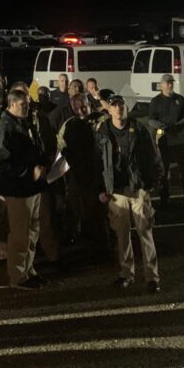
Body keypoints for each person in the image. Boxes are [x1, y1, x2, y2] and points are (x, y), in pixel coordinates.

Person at [95, 96, 162, 292]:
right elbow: (97, 162)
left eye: (121, 105)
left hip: (138, 187)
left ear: (126, 108)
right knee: (121, 234)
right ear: (109, 110)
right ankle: (126, 273)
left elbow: (153, 155)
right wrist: (100, 188)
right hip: (116, 190)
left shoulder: (139, 130)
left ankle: (152, 277)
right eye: (114, 106)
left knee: (145, 231)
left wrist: (154, 182)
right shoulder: (102, 133)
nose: (118, 109)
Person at [0, 89, 47, 291]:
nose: (27, 108)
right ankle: (17, 276)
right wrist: (28, 171)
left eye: (28, 104)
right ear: (12, 104)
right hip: (18, 189)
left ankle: (28, 269)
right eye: (24, 105)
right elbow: (3, 163)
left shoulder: (23, 122)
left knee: (32, 231)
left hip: (31, 187)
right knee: (20, 234)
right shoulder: (4, 127)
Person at [58, 93, 106, 251]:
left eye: (83, 106)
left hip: (99, 172)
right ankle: (74, 236)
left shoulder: (101, 120)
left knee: (97, 209)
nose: (81, 110)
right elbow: (61, 146)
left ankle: (101, 243)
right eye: (77, 107)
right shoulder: (69, 125)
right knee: (75, 206)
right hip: (77, 173)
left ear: (89, 104)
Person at [146, 75, 184, 206]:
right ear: (161, 85)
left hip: (181, 140)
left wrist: (178, 125)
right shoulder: (156, 101)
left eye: (171, 83)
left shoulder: (180, 99)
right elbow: (151, 120)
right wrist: (162, 126)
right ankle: (164, 199)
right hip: (164, 141)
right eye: (167, 83)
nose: (170, 85)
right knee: (164, 171)